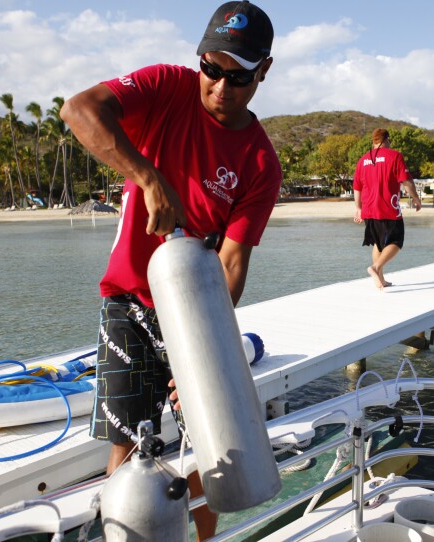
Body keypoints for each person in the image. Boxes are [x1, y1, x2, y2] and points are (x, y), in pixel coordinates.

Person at [60, 1, 280, 538]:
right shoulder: (163, 87)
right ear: (199, 59)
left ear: (264, 71)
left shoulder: (260, 164)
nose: (222, 86)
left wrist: (206, 357)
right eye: (213, 68)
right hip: (129, 300)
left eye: (240, 76)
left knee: (211, 447)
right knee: (127, 446)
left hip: (196, 314)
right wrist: (148, 177)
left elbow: (231, 261)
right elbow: (79, 110)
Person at [353, 128, 421, 289]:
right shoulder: (395, 156)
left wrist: (358, 208)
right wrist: (416, 198)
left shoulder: (362, 160)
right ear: (386, 140)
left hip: (369, 209)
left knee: (378, 243)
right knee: (397, 240)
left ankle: (380, 280)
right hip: (388, 207)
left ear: (373, 141)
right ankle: (375, 268)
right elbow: (406, 181)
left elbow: (357, 188)